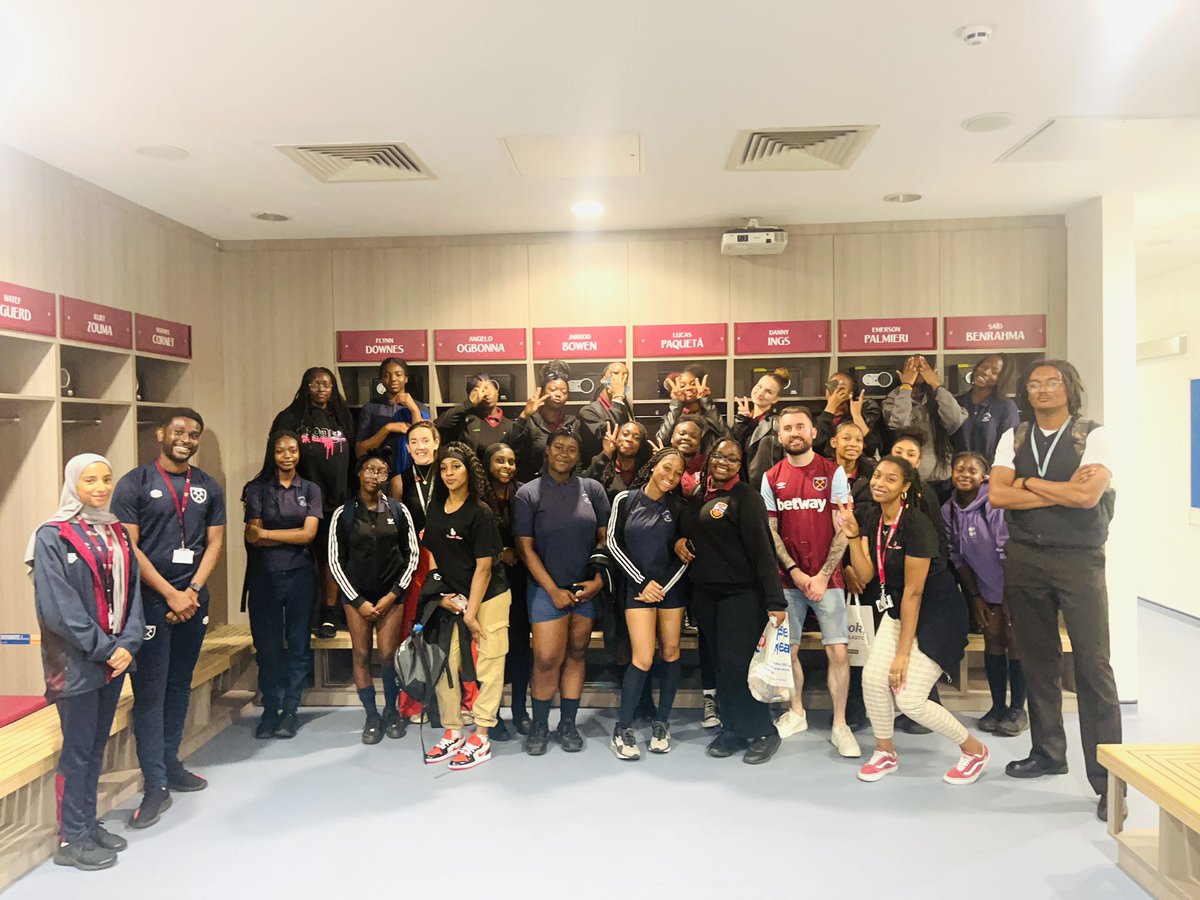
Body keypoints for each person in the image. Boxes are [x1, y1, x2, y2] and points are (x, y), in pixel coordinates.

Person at [987, 359, 1121, 821]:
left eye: (1052, 382)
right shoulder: (1015, 436)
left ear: (1069, 388)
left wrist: (1027, 482)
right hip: (1024, 557)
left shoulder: (1094, 434)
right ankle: (1048, 752)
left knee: (1092, 666)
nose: (1042, 389)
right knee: (1037, 658)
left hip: (1079, 560)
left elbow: (1088, 497)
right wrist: (1056, 487)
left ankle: (1109, 782)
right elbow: (999, 496)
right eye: (1034, 384)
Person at [27, 454, 144, 871]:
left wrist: (129, 641)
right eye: (90, 480)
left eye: (106, 479)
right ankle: (70, 838)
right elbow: (59, 608)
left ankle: (87, 824)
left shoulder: (115, 530)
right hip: (75, 662)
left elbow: (132, 592)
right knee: (77, 749)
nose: (99, 487)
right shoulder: (52, 535)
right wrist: (105, 648)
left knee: (96, 745)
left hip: (113, 659)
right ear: (73, 483)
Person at [840, 456, 986, 785]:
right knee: (873, 680)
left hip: (938, 616)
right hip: (897, 609)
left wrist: (903, 654)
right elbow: (865, 575)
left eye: (891, 479)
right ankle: (885, 752)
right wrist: (851, 537)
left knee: (909, 698)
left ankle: (974, 750)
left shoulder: (917, 525)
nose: (879, 483)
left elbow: (914, 593)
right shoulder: (870, 517)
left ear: (905, 487)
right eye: (877, 476)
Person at [112, 408, 225, 829]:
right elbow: (130, 547)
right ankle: (154, 784)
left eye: (193, 434)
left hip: (193, 601)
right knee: (151, 692)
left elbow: (214, 544)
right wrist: (171, 593)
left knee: (180, 685)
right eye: (178, 431)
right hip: (151, 604)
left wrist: (192, 591)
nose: (186, 439)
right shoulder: (134, 483)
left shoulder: (208, 486)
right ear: (161, 433)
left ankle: (171, 764)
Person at [761, 408, 861, 758]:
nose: (794, 433)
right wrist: (796, 573)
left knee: (837, 651)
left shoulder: (833, 473)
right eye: (787, 428)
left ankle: (840, 724)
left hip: (828, 579)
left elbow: (844, 528)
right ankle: (797, 712)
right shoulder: (771, 477)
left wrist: (820, 575)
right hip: (788, 581)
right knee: (790, 650)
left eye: (800, 426)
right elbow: (770, 533)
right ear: (780, 435)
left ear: (812, 432)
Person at [681, 437, 786, 765]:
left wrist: (775, 600)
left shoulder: (746, 498)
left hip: (741, 595)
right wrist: (679, 542)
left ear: (740, 465)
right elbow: (690, 533)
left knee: (739, 666)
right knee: (721, 666)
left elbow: (762, 550)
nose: (723, 461)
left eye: (732, 458)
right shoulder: (700, 495)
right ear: (709, 458)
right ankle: (733, 729)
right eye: (719, 456)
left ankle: (764, 731)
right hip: (706, 596)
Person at [513, 430, 610, 755]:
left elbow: (605, 539)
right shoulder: (529, 493)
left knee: (576, 655)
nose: (565, 453)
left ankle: (567, 724)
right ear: (548, 451)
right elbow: (525, 549)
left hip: (584, 590)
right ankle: (540, 726)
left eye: (572, 449)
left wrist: (597, 580)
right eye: (559, 448)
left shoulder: (592, 490)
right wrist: (552, 589)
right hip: (546, 590)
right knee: (545, 660)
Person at [419, 443, 511, 770]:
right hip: (454, 596)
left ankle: (481, 735)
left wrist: (471, 612)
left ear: (468, 470)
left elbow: (484, 568)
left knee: (489, 661)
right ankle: (453, 730)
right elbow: (432, 554)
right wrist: (438, 592)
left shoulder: (481, 512)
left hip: (489, 596)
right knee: (446, 662)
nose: (449, 474)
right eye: (443, 469)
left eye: (455, 467)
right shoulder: (435, 509)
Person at [328, 453, 420, 743]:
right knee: (362, 655)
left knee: (388, 656)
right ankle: (371, 714)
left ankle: (392, 711)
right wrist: (357, 601)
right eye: (369, 469)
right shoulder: (343, 514)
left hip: (391, 595)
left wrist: (394, 594)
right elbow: (335, 561)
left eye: (381, 471)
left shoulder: (398, 510)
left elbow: (412, 556)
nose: (374, 475)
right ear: (359, 473)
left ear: (386, 478)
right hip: (356, 597)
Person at [606, 448, 689, 760]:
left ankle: (661, 723)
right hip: (637, 590)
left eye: (678, 473)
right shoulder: (625, 500)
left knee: (670, 652)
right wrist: (641, 582)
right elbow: (613, 543)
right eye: (667, 468)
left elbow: (685, 554)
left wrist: (662, 587)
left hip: (670, 590)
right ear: (654, 466)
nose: (671, 476)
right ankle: (622, 728)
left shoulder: (679, 506)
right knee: (642, 657)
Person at [242, 431, 322, 740]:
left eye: (292, 450)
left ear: (299, 454)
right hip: (265, 577)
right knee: (268, 646)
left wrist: (268, 536)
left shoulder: (311, 490)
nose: (286, 455)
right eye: (280, 450)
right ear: (272, 454)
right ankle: (270, 709)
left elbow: (308, 536)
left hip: (302, 575)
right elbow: (252, 534)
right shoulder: (257, 489)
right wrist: (287, 533)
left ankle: (291, 710)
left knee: (299, 643)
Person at [943, 451, 1026, 737]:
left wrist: (1011, 598)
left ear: (984, 476)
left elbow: (1007, 551)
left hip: (1013, 584)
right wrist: (976, 596)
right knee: (993, 639)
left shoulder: (993, 502)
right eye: (959, 469)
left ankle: (1017, 709)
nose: (965, 474)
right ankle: (997, 707)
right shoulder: (949, 510)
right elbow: (958, 557)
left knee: (1015, 640)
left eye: (972, 470)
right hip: (985, 588)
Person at [269, 367, 354, 639]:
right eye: (315, 384)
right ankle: (301, 614)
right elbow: (278, 454)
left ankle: (329, 615)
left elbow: (354, 458)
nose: (321, 389)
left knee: (331, 559)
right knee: (304, 559)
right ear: (306, 386)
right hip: (301, 499)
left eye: (327, 384)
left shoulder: (342, 416)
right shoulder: (290, 417)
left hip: (338, 499)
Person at [483, 441, 530, 738]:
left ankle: (520, 710)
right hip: (489, 582)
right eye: (500, 461)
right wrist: (500, 553)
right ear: (488, 463)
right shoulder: (477, 497)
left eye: (511, 461)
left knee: (521, 648)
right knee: (494, 650)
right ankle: (493, 714)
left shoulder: (523, 493)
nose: (506, 467)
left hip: (522, 580)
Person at [883, 356, 967, 490]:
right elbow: (898, 425)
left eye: (922, 367)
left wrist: (936, 385)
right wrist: (906, 387)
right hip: (906, 477)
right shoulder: (893, 398)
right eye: (911, 367)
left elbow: (955, 421)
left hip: (939, 478)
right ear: (901, 373)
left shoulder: (940, 397)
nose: (916, 371)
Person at [355, 357, 430, 475]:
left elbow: (425, 447)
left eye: (398, 374)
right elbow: (360, 451)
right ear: (381, 379)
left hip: (412, 475)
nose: (393, 379)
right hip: (379, 475)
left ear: (406, 378)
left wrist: (414, 410)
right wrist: (387, 428)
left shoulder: (421, 408)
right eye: (387, 375)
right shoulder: (371, 408)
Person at [511, 360, 582, 483]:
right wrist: (524, 416)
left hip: (565, 486)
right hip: (531, 485)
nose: (558, 394)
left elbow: (578, 462)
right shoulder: (530, 421)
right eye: (553, 389)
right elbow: (509, 446)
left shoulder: (574, 423)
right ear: (543, 391)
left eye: (564, 391)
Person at [435, 373, 521, 458]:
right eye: (480, 390)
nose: (485, 394)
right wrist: (469, 403)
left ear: (496, 391)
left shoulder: (510, 425)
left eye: (488, 388)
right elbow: (439, 425)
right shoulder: (466, 422)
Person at [954, 353, 1020, 463]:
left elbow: (1008, 447)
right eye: (984, 366)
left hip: (990, 474)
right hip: (959, 473)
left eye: (994, 372)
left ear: (1001, 379)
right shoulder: (957, 402)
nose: (985, 372)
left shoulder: (1006, 406)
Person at [730, 367, 790, 488]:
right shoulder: (743, 420)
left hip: (766, 490)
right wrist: (741, 422)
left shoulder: (779, 424)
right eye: (759, 386)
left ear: (776, 399)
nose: (760, 393)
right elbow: (729, 448)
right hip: (738, 489)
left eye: (768, 391)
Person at [654, 364, 728, 453]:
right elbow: (660, 441)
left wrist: (706, 401)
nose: (688, 388)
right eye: (682, 386)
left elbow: (728, 438)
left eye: (693, 384)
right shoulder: (671, 417)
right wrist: (676, 404)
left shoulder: (711, 416)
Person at [814, 371, 882, 459]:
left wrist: (857, 416)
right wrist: (830, 408)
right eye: (832, 387)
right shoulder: (816, 417)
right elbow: (815, 445)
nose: (835, 392)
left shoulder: (866, 411)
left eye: (841, 388)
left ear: (851, 393)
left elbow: (871, 448)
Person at [578, 361, 634, 464]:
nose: (621, 379)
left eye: (625, 376)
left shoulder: (625, 408)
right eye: (616, 373)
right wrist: (617, 397)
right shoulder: (588, 411)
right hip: (599, 471)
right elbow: (613, 433)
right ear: (603, 379)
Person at [586, 420, 651, 500]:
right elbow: (585, 486)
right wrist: (605, 455)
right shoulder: (602, 463)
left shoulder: (645, 473)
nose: (629, 439)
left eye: (636, 438)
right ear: (616, 438)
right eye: (625, 434)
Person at [830, 420, 875, 491]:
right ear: (834, 442)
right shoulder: (821, 470)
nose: (853, 444)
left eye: (858, 440)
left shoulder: (871, 473)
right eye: (846, 438)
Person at [669, 415, 707, 496]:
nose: (686, 438)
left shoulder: (707, 466)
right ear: (672, 438)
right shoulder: (661, 463)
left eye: (693, 436)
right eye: (682, 433)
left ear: (699, 443)